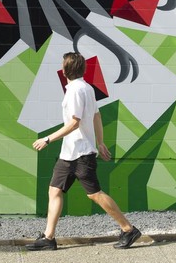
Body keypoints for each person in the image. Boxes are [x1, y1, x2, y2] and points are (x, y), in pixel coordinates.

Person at [26, 52, 141, 251]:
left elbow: (74, 123)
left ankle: (128, 229)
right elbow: (96, 115)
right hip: (69, 153)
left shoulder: (75, 91)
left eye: (62, 65)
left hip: (80, 154)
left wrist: (47, 139)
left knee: (94, 194)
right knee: (54, 191)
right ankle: (48, 237)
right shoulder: (86, 88)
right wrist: (101, 142)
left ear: (65, 70)